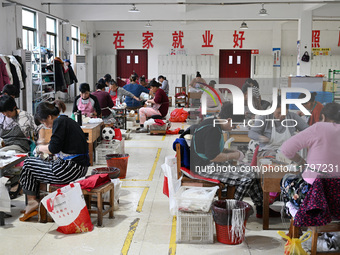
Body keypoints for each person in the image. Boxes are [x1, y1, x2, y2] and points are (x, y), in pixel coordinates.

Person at [190, 102, 269, 218]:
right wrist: (234, 155)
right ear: (228, 119)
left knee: (253, 172)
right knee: (247, 177)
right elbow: (213, 156)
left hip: (208, 164)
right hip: (204, 168)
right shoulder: (213, 130)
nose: (234, 128)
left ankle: (262, 208)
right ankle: (230, 209)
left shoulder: (213, 123)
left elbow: (214, 149)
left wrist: (232, 153)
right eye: (234, 125)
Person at [19, 101, 89, 221]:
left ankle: (32, 202)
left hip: (70, 169)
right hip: (77, 167)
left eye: (44, 122)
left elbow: (53, 148)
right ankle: (37, 202)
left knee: (28, 163)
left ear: (50, 117)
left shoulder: (58, 122)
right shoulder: (66, 120)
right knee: (36, 166)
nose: (46, 126)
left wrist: (39, 148)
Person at [280, 102, 340, 215]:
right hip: (337, 200)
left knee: (286, 180)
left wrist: (301, 161)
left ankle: (295, 213)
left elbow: (286, 149)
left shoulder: (319, 127)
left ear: (323, 117)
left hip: (314, 199)